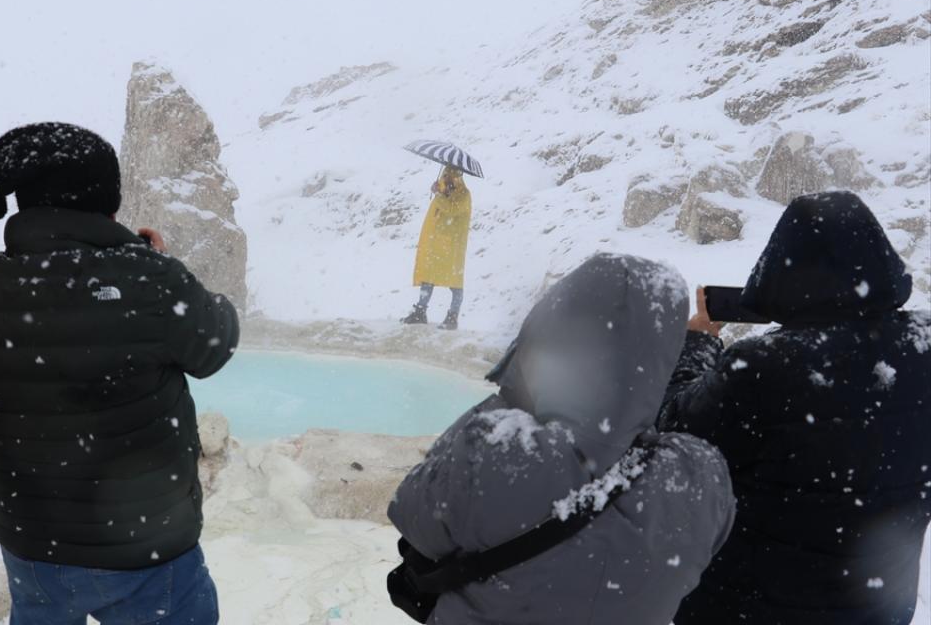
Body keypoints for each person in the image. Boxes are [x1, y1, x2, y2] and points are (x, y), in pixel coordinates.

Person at [0, 122, 240, 625]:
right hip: (149, 546)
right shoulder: (150, 280)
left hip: (34, 545)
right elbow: (214, 345)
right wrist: (148, 263)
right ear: (107, 201)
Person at [388, 252, 735, 624]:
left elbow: (411, 516)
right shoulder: (701, 478)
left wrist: (520, 384)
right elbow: (643, 414)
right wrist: (684, 353)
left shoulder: (496, 447)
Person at [659, 191, 931, 625]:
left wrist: (697, 344)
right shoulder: (923, 347)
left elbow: (675, 433)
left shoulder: (762, 370)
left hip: (751, 609)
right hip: (877, 609)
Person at [402, 166, 471, 330]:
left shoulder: (464, 194)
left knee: (455, 281)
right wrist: (439, 192)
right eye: (445, 175)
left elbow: (452, 209)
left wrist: (439, 194)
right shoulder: (442, 188)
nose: (446, 178)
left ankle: (452, 317)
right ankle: (420, 310)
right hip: (436, 242)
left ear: (457, 177)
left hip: (453, 244)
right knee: (428, 276)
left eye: (450, 176)